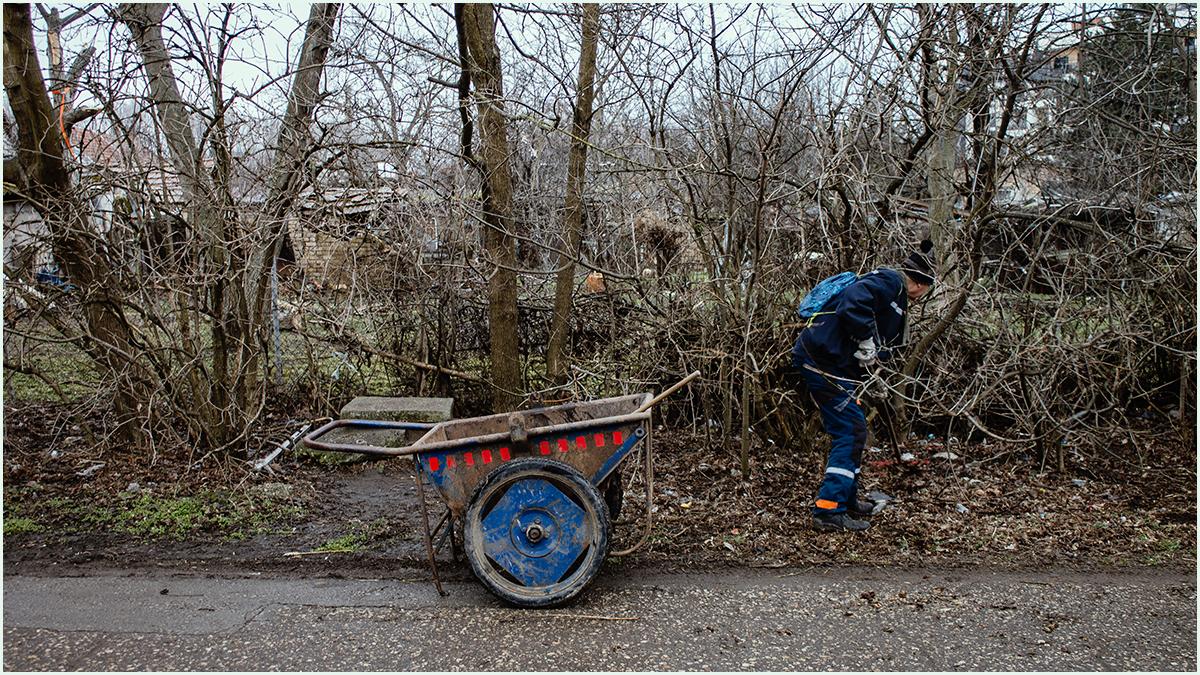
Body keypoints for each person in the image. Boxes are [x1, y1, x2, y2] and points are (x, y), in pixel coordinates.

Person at [792, 240, 936, 532]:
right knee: (850, 431)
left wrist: (871, 374)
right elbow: (854, 304)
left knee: (855, 430)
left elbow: (874, 343)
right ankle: (828, 510)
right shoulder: (889, 282)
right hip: (822, 361)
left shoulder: (891, 291)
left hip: (831, 363)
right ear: (921, 285)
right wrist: (866, 340)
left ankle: (847, 500)